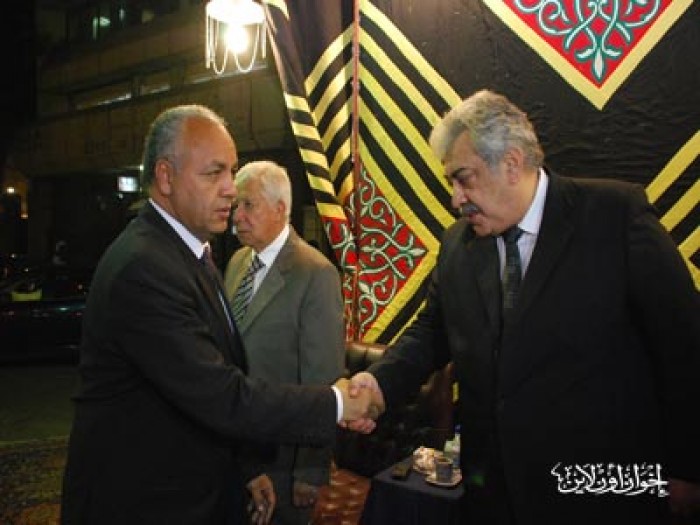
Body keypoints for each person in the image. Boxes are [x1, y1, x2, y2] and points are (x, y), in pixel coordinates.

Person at [348, 90, 700, 524]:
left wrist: (688, 468)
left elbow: (685, 346)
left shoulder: (614, 217)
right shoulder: (457, 245)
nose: (456, 199)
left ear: (512, 164)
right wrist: (377, 383)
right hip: (494, 493)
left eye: (464, 179)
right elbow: (431, 332)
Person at [60, 104, 370, 525]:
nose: (229, 190)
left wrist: (246, 467)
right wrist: (337, 403)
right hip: (146, 503)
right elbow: (221, 394)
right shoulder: (144, 268)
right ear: (166, 177)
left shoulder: (191, 253)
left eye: (232, 172)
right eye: (214, 173)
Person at [223, 160, 344, 524]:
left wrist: (310, 469)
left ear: (280, 208)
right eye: (235, 206)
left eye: (248, 205)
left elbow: (322, 380)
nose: (237, 217)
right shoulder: (237, 262)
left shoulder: (316, 273)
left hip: (282, 461)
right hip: (234, 449)